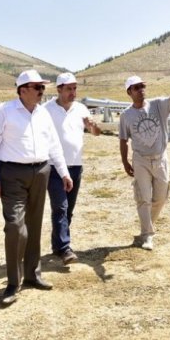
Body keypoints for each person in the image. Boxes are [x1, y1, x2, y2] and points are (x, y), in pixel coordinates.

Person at [0, 69, 73, 306]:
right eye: (37, 88)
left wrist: (63, 172)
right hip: (12, 174)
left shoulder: (43, 114)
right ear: (22, 90)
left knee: (34, 224)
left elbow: (53, 145)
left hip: (41, 171)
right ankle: (13, 281)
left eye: (43, 88)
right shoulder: (4, 111)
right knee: (15, 227)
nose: (42, 92)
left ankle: (33, 274)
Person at [119, 76, 170, 250]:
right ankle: (147, 236)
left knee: (161, 197)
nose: (141, 90)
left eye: (142, 86)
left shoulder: (157, 105)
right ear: (129, 92)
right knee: (143, 198)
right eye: (136, 87)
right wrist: (124, 161)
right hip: (140, 161)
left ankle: (146, 227)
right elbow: (123, 140)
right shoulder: (126, 115)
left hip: (160, 158)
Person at [44, 72, 101, 265]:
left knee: (68, 210)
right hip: (53, 168)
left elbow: (96, 133)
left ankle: (57, 245)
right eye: (69, 89)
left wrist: (92, 126)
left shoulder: (81, 109)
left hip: (76, 166)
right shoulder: (46, 109)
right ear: (58, 89)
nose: (73, 92)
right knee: (60, 207)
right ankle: (64, 248)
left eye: (75, 88)